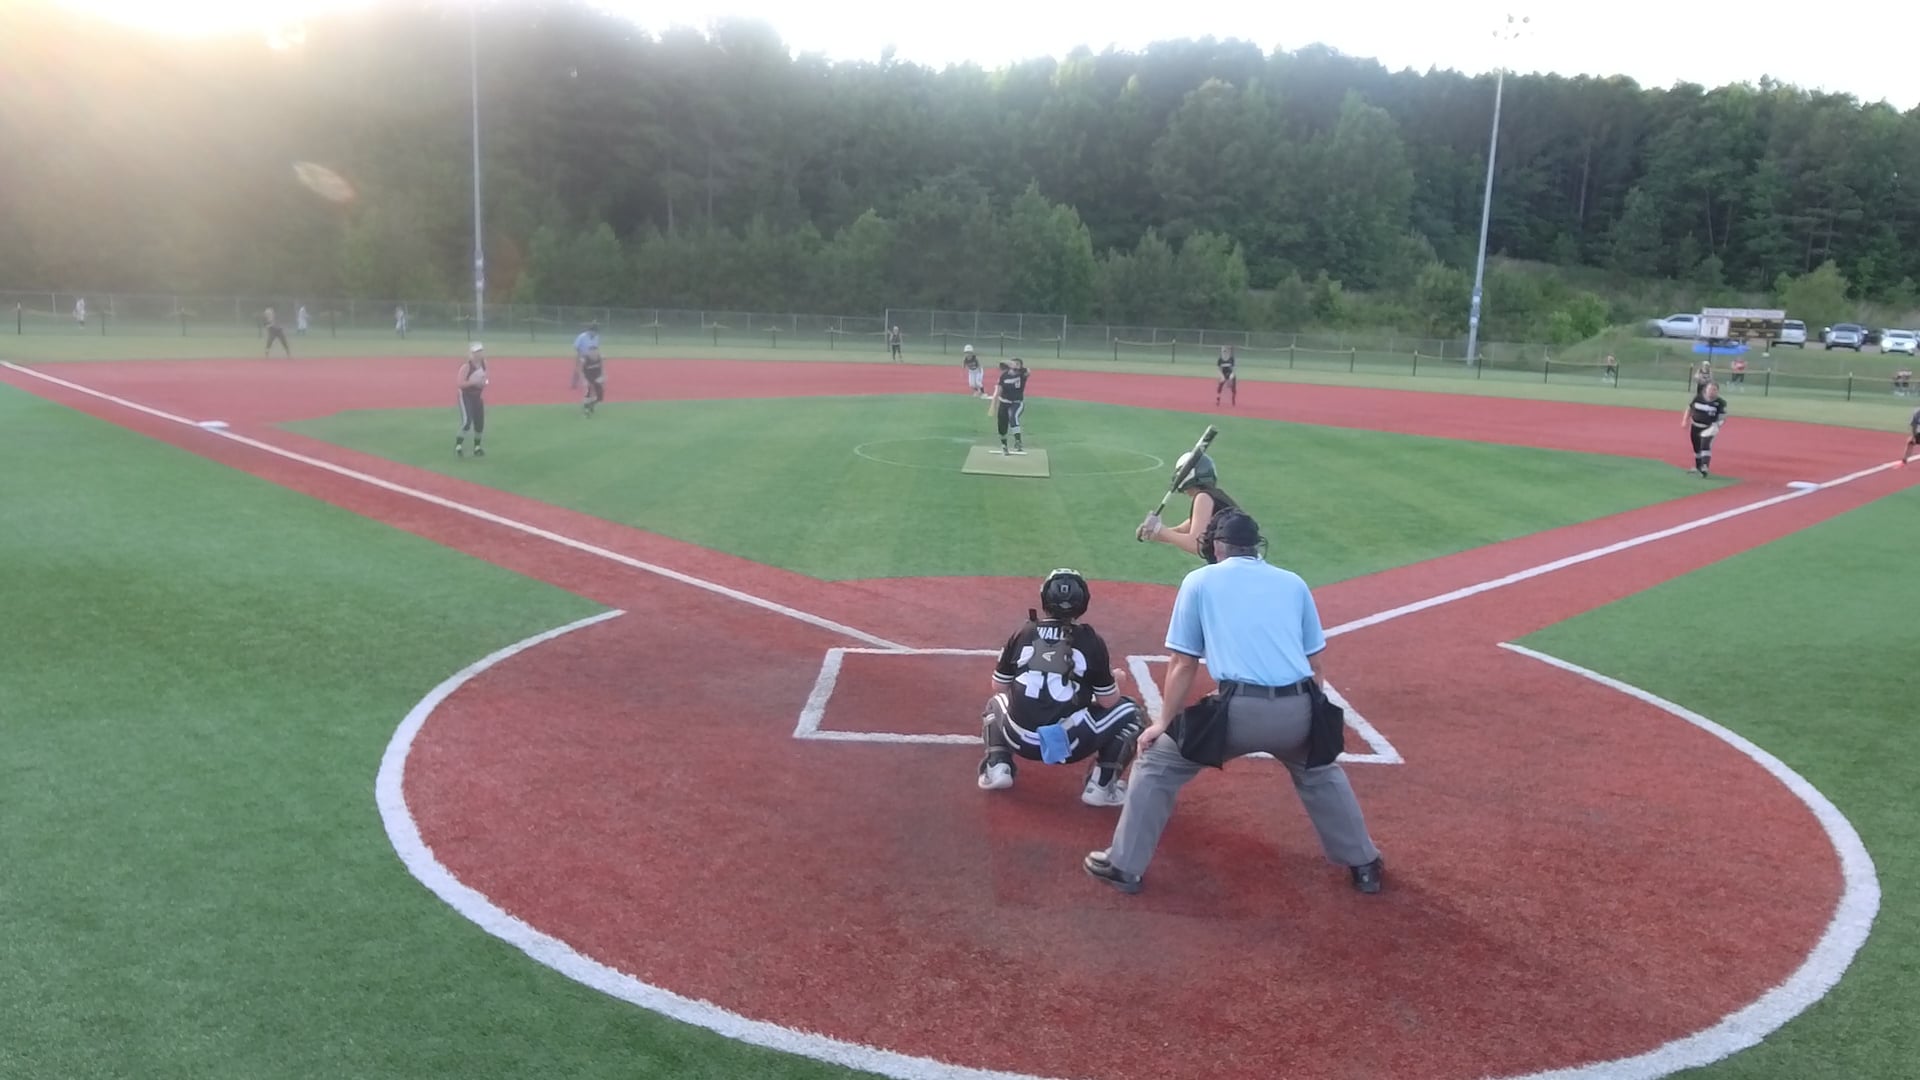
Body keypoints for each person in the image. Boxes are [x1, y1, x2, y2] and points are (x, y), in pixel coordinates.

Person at [1084, 508, 1384, 896]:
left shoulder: (1200, 581)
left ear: (1217, 546)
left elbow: (1183, 663)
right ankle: (1365, 865)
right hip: (1299, 710)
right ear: (1256, 545)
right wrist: (1314, 723)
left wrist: (1162, 723)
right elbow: (1315, 666)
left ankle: (1124, 867)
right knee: (1320, 771)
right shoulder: (1293, 583)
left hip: (1236, 714)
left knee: (1157, 764)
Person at [978, 569, 1144, 807]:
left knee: (995, 703)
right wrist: (1116, 679)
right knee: (1133, 713)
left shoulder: (1024, 632)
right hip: (1068, 746)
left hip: (1018, 739)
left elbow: (999, 685)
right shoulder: (1090, 640)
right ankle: (1101, 786)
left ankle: (997, 766)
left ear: (1045, 600)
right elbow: (1108, 701)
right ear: (1083, 602)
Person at [1136, 451, 1240, 560]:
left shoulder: (1203, 497)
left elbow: (1195, 545)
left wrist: (1159, 528)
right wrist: (1153, 533)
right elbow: (1180, 531)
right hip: (1241, 563)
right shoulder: (1217, 496)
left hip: (1234, 565)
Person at [1684, 379, 1727, 477]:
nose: (1712, 391)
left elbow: (1723, 417)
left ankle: (1704, 466)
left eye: (1714, 390)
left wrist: (1717, 425)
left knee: (1704, 444)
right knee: (1696, 447)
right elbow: (1689, 409)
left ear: (1717, 391)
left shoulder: (1720, 402)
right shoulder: (1698, 398)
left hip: (1709, 427)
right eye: (1710, 389)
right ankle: (1698, 467)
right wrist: (1685, 420)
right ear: (1705, 389)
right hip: (1695, 426)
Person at [989, 357, 1030, 455]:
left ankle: (1018, 441)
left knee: (1013, 416)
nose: (1015, 366)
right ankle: (1004, 446)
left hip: (1016, 402)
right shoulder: (1004, 376)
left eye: (1018, 364)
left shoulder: (1022, 374)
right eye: (1014, 364)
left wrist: (1014, 365)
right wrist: (993, 405)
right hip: (1004, 403)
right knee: (1002, 425)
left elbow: (1028, 372)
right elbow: (999, 391)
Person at [455, 343, 489, 458]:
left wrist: (484, 383)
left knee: (479, 423)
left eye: (480, 351)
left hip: (477, 396)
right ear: (472, 354)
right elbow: (460, 384)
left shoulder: (484, 364)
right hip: (465, 396)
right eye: (476, 352)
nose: (478, 354)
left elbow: (485, 379)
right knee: (467, 422)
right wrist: (474, 382)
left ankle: (477, 447)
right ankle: (458, 446)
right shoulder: (466, 367)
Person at [577, 343, 606, 416]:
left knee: (600, 396)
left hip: (597, 377)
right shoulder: (585, 359)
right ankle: (586, 410)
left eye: (595, 351)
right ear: (589, 352)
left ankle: (591, 405)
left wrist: (603, 376)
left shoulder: (600, 357)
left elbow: (602, 367)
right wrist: (584, 380)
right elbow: (580, 369)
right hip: (588, 377)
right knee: (589, 392)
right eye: (592, 351)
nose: (593, 353)